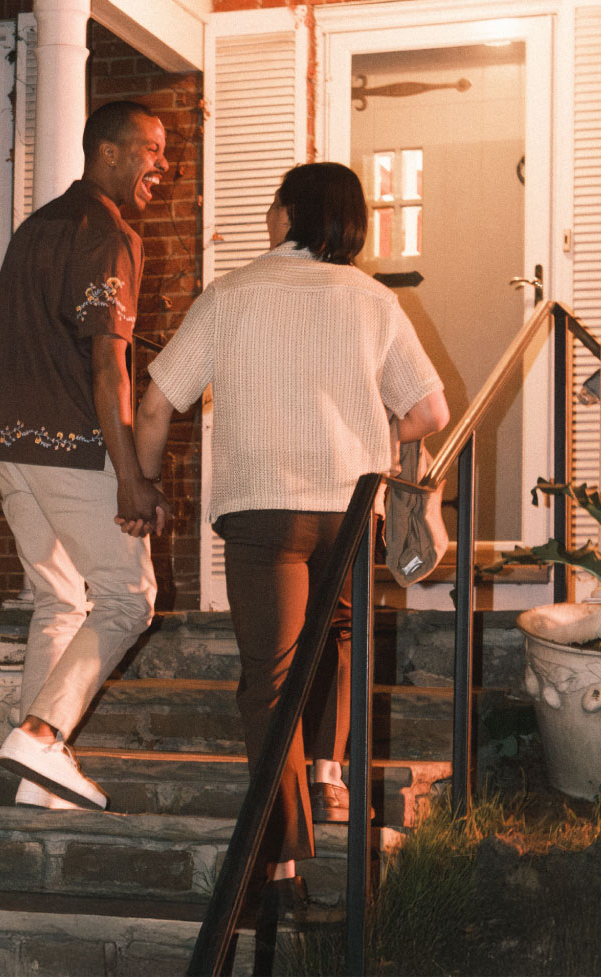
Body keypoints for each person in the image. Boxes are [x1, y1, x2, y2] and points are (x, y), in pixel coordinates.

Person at [131, 162, 448, 895]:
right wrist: (374, 428)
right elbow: (427, 413)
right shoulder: (372, 300)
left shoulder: (231, 294)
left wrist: (142, 487)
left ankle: (280, 855)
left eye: (272, 206)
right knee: (336, 633)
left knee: (267, 681)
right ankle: (330, 771)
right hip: (349, 508)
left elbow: (155, 406)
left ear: (287, 215)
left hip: (261, 509)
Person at [0, 101, 170, 811]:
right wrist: (130, 477)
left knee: (59, 598)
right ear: (108, 152)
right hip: (70, 444)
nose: (160, 165)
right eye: (150, 149)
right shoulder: (109, 234)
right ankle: (40, 730)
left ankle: (37, 779)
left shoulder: (35, 229)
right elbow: (107, 368)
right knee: (127, 600)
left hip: (10, 443)